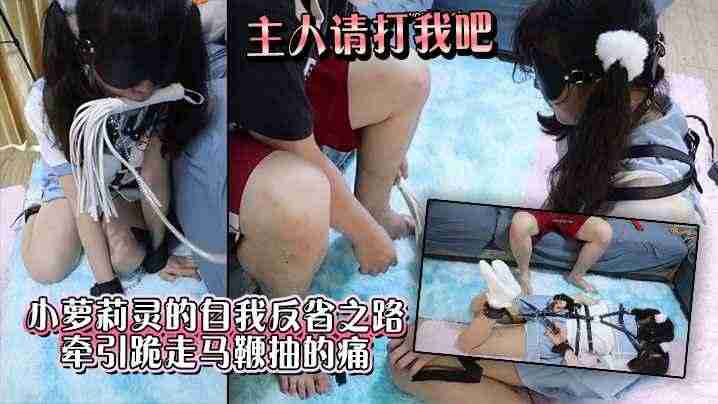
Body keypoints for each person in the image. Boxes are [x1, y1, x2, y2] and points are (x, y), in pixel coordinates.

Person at [232, 0, 429, 399]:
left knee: (408, 74)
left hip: (279, 79)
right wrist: (365, 234)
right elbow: (292, 144)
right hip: (229, 125)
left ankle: (374, 205)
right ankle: (285, 317)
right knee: (303, 195)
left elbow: (344, 33)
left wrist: (386, 143)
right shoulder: (259, 13)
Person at [21, 0, 209, 295]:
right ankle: (36, 204)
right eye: (130, 73)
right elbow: (82, 199)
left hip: (125, 179)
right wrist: (105, 284)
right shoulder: (50, 104)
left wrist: (158, 255)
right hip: (78, 182)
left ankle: (114, 219)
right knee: (47, 267)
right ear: (89, 51)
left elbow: (154, 175)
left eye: (156, 73)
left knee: (127, 258)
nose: (146, 89)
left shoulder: (162, 85)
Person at [512, 0, 704, 223]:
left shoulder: (645, 207)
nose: (536, 84)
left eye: (545, 73)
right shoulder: (647, 103)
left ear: (599, 84)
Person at [390, 260, 676, 403]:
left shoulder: (609, 356)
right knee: (415, 356)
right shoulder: (606, 327)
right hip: (543, 351)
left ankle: (493, 312)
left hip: (542, 369)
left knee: (407, 369)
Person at [509, 210, 613, 294]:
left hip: (573, 213)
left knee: (604, 232)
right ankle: (524, 274)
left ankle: (576, 276)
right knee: (520, 224)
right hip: (541, 210)